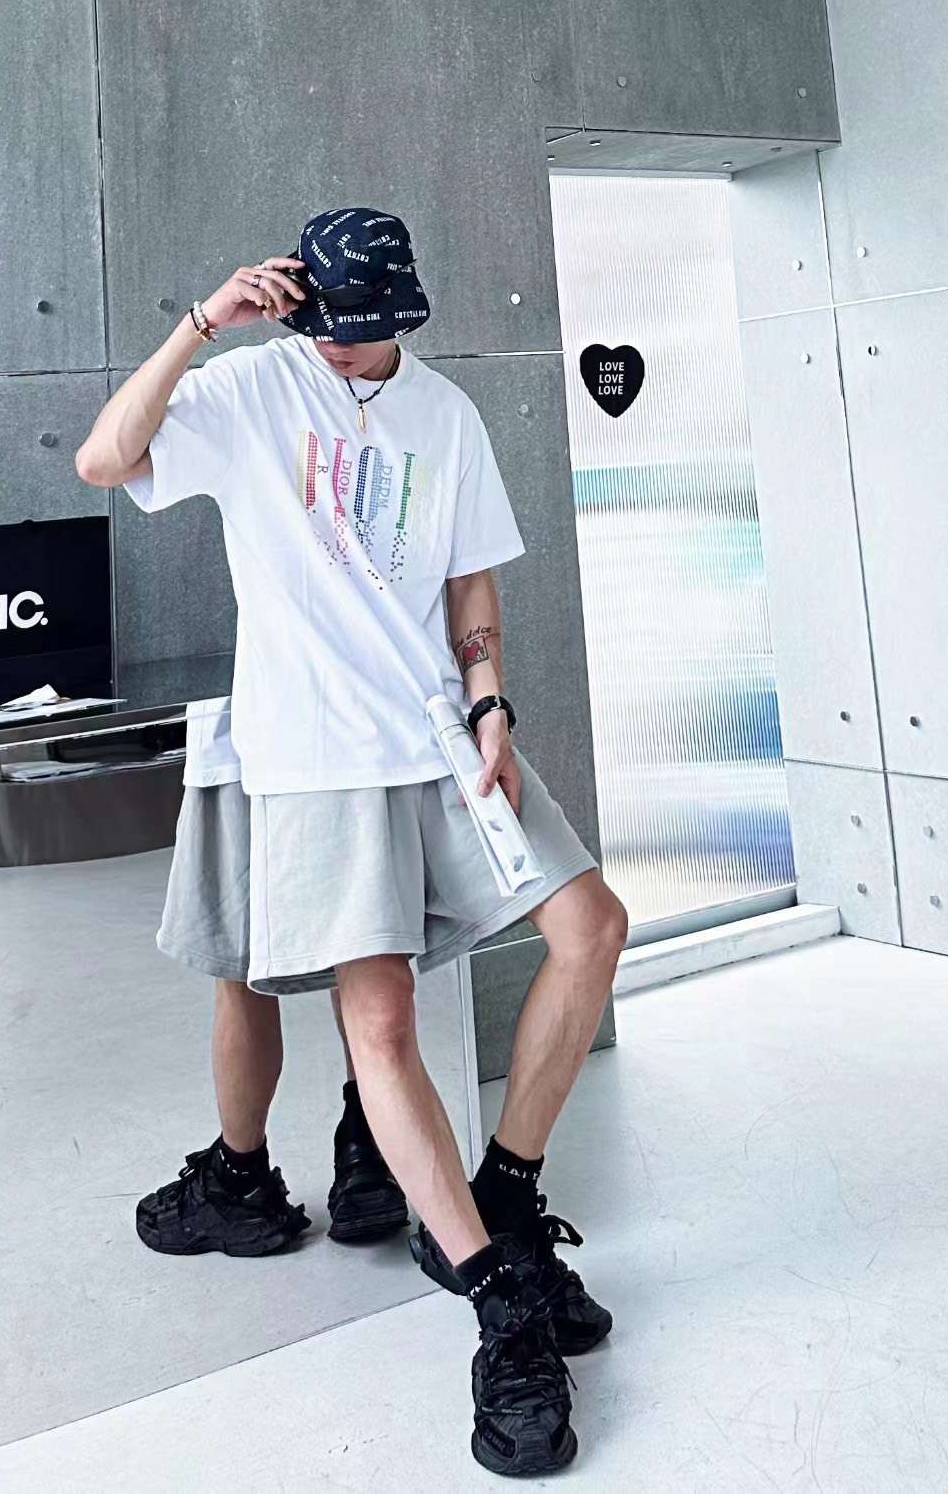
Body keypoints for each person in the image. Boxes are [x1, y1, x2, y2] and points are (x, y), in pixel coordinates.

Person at [77, 207, 629, 1477]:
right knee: (376, 1022)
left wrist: (489, 698)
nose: (344, 348)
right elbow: (106, 459)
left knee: (590, 926)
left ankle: (500, 1195)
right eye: (329, 327)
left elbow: (470, 578)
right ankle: (499, 1307)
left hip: (437, 733)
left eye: (367, 331)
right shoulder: (249, 385)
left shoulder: (446, 412)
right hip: (315, 751)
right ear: (296, 305)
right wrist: (202, 322)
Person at [141, 694, 410, 1251]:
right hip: (345, 722)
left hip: (241, 725)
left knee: (239, 956)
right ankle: (368, 1147)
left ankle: (239, 1181)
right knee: (358, 940)